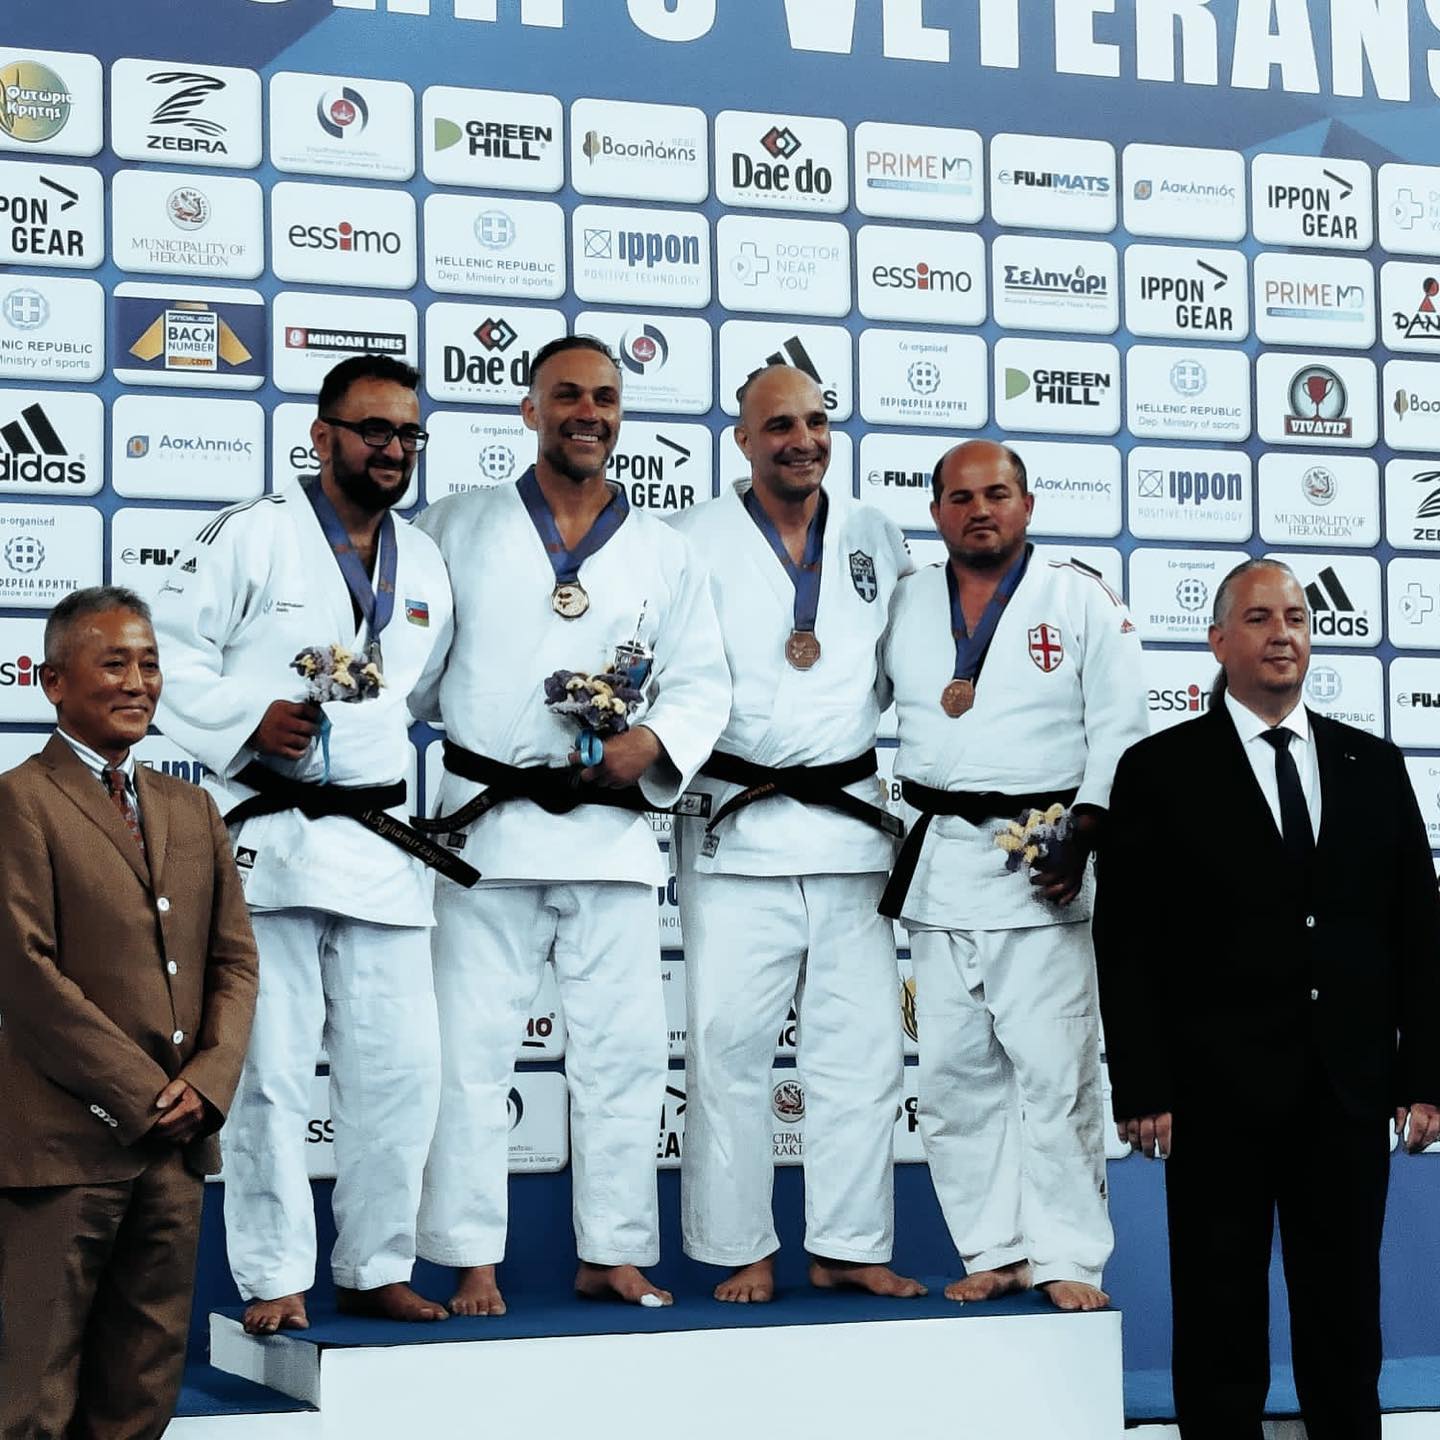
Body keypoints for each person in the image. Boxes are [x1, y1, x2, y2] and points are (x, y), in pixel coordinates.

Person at [411, 334, 729, 1315]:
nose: (586, 412)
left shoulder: (665, 551)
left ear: (620, 415)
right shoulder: (454, 527)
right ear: (529, 410)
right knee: (469, 1056)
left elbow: (704, 679)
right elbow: (414, 675)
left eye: (603, 397)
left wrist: (653, 743)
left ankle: (615, 1253)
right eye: (565, 396)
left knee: (625, 1058)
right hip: (489, 831)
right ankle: (469, 1259)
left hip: (611, 837)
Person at [1093, 558, 1440, 1440]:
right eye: (1257, 617)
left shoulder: (1374, 763)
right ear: (1218, 642)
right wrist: (1142, 1087)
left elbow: (1419, 935)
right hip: (1213, 1098)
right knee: (1218, 1318)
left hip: (1346, 1091)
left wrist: (1423, 1072)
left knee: (1343, 1316)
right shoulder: (1158, 769)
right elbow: (1126, 941)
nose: (1282, 632)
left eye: (1294, 616)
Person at [150, 354, 459, 1335]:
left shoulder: (425, 561)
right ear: (322, 436)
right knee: (271, 1077)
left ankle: (375, 1265)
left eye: (408, 433)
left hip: (383, 844)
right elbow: (166, 657)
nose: (393, 449)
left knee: (402, 1076)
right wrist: (248, 722)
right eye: (374, 430)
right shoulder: (254, 538)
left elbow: (423, 691)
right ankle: (273, 1281)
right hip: (271, 849)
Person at [669, 363, 923, 1303]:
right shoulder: (689, 539)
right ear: (742, 437)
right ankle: (739, 1244)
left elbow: (905, 666)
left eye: (817, 421)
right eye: (779, 424)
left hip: (852, 829)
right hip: (737, 828)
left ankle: (849, 1242)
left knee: (860, 1051)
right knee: (727, 1046)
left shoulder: (872, 533)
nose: (802, 439)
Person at [879, 438, 1147, 1311]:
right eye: (959, 498)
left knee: (1056, 1075)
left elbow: (1121, 728)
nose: (979, 509)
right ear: (936, 513)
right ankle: (994, 1246)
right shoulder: (909, 600)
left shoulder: (1078, 598)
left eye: (997, 494)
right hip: (940, 860)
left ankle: (1068, 1255)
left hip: (1043, 861)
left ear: (1027, 505)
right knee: (955, 1078)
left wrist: (1085, 835)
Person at [0, 587, 258, 1440]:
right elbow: (26, 976)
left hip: (177, 1154)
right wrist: (144, 1094)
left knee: (142, 1398)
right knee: (33, 1397)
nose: (138, 681)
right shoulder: (18, 800)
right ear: (50, 680)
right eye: (113, 662)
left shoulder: (193, 808)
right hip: (64, 1151)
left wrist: (207, 1085)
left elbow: (234, 963)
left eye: (149, 663)